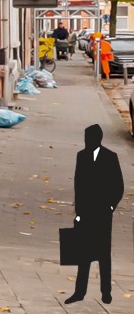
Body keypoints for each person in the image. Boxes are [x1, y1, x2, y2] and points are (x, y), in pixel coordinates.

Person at [70, 123, 123, 304]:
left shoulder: (110, 157)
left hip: (102, 214)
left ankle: (106, 292)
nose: (86, 142)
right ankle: (79, 292)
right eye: (85, 138)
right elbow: (78, 185)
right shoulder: (81, 156)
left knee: (103, 255)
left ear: (97, 139)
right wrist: (78, 212)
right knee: (83, 255)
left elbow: (119, 186)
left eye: (89, 139)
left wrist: (110, 207)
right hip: (85, 213)